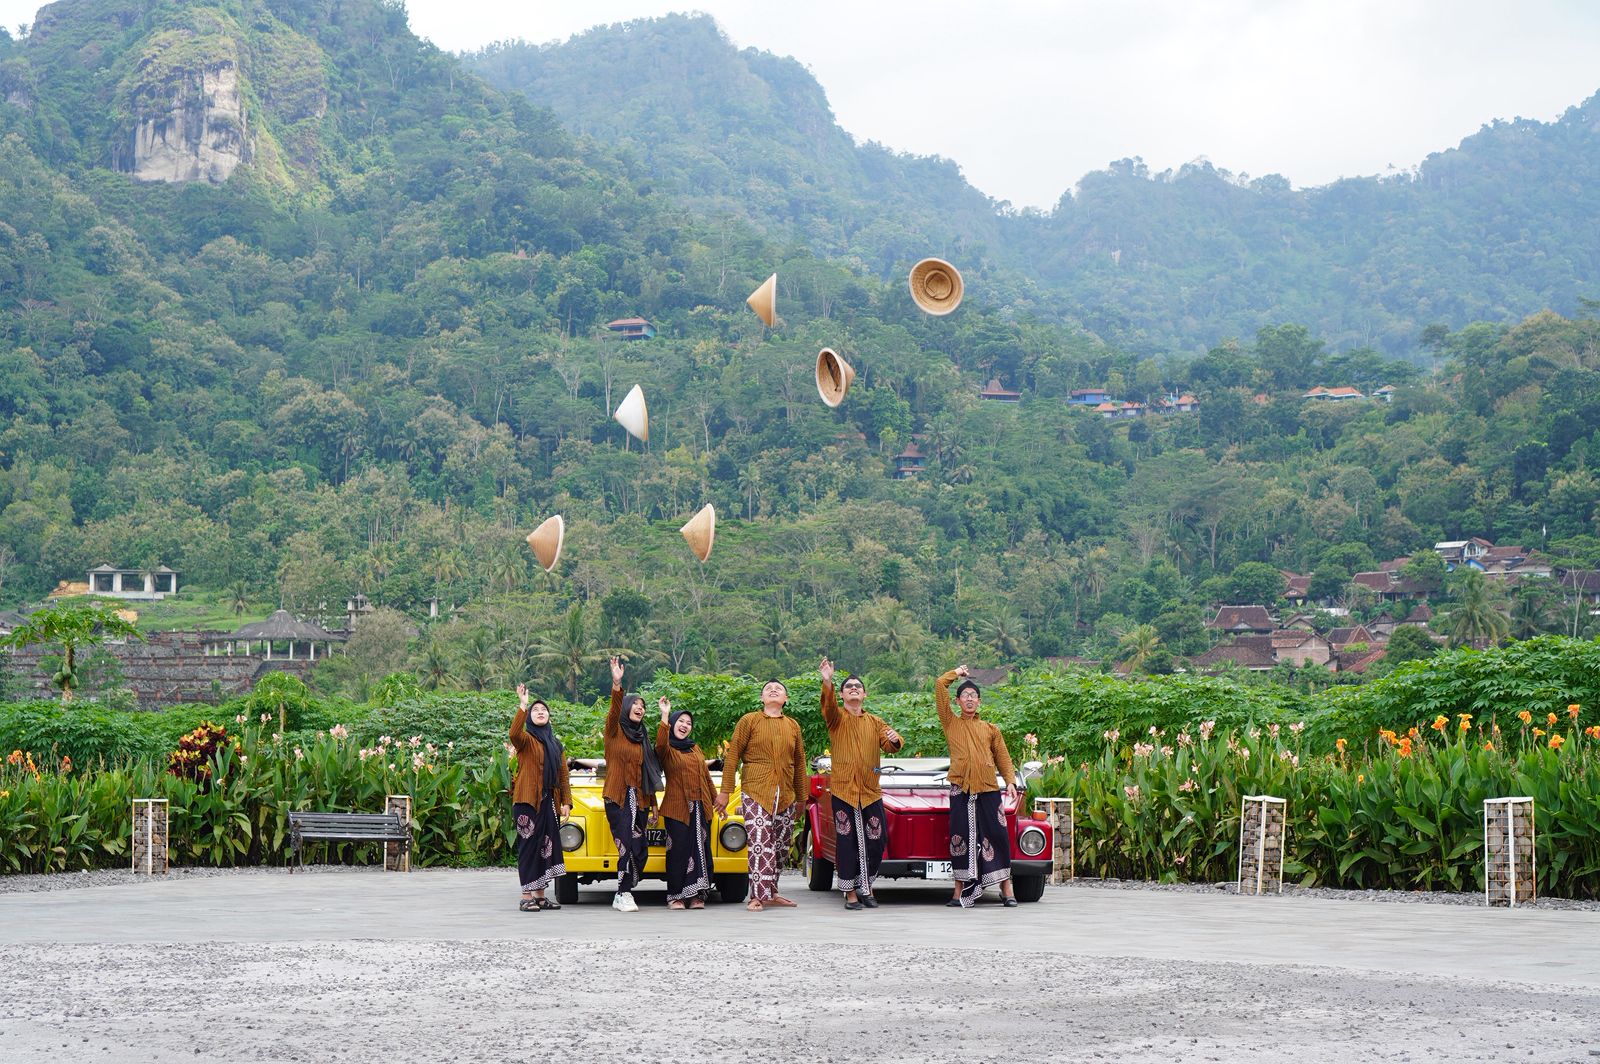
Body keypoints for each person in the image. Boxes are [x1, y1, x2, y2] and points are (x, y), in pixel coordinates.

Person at [818, 658, 903, 910]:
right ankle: (851, 893)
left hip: (870, 791)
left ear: (864, 693)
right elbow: (828, 706)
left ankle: (866, 885)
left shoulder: (875, 722)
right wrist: (827, 680)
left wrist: (895, 738)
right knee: (847, 842)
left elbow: (891, 745)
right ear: (842, 694)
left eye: (858, 686)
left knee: (877, 840)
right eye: (848, 686)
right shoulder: (836, 718)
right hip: (844, 790)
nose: (854, 688)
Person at [716, 679, 807, 912]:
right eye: (768, 689)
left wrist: (801, 798)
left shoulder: (793, 725)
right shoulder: (749, 720)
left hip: (786, 792)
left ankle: (772, 891)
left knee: (781, 843)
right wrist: (725, 792)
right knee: (759, 840)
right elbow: (733, 755)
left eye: (779, 690)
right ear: (762, 698)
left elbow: (800, 763)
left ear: (786, 699)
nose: (773, 690)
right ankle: (757, 896)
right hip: (755, 789)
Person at [934, 664, 1019, 908]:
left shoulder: (990, 729)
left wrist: (1010, 781)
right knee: (960, 837)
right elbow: (940, 685)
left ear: (979, 701)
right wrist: (956, 674)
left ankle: (1006, 888)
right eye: (965, 696)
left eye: (973, 696)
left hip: (988, 788)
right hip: (961, 788)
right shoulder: (951, 723)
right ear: (958, 701)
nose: (969, 700)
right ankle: (958, 891)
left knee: (998, 836)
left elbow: (1003, 756)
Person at [603, 656, 661, 913]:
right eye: (635, 704)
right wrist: (617, 684)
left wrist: (654, 805)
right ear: (626, 706)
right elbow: (614, 711)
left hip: (640, 799)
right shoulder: (614, 732)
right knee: (625, 842)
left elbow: (648, 772)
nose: (640, 708)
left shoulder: (642, 739)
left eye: (643, 705)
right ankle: (622, 892)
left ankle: (627, 887)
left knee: (640, 848)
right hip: (617, 796)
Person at [509, 684, 572, 911]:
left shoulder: (556, 745)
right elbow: (513, 733)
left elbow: (563, 774)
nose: (540, 712)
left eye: (543, 710)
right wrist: (523, 704)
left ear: (549, 716)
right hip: (527, 801)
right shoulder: (525, 740)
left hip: (548, 801)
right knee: (529, 846)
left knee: (547, 846)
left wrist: (566, 802)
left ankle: (540, 896)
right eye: (535, 710)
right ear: (529, 716)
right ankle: (526, 896)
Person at [655, 696, 715, 910]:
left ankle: (697, 895)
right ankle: (675, 896)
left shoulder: (695, 749)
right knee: (678, 851)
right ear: (672, 724)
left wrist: (718, 802)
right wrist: (664, 714)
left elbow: (706, 777)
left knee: (700, 850)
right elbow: (660, 745)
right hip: (677, 808)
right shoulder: (668, 749)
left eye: (688, 723)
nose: (685, 726)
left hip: (700, 807)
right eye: (680, 721)